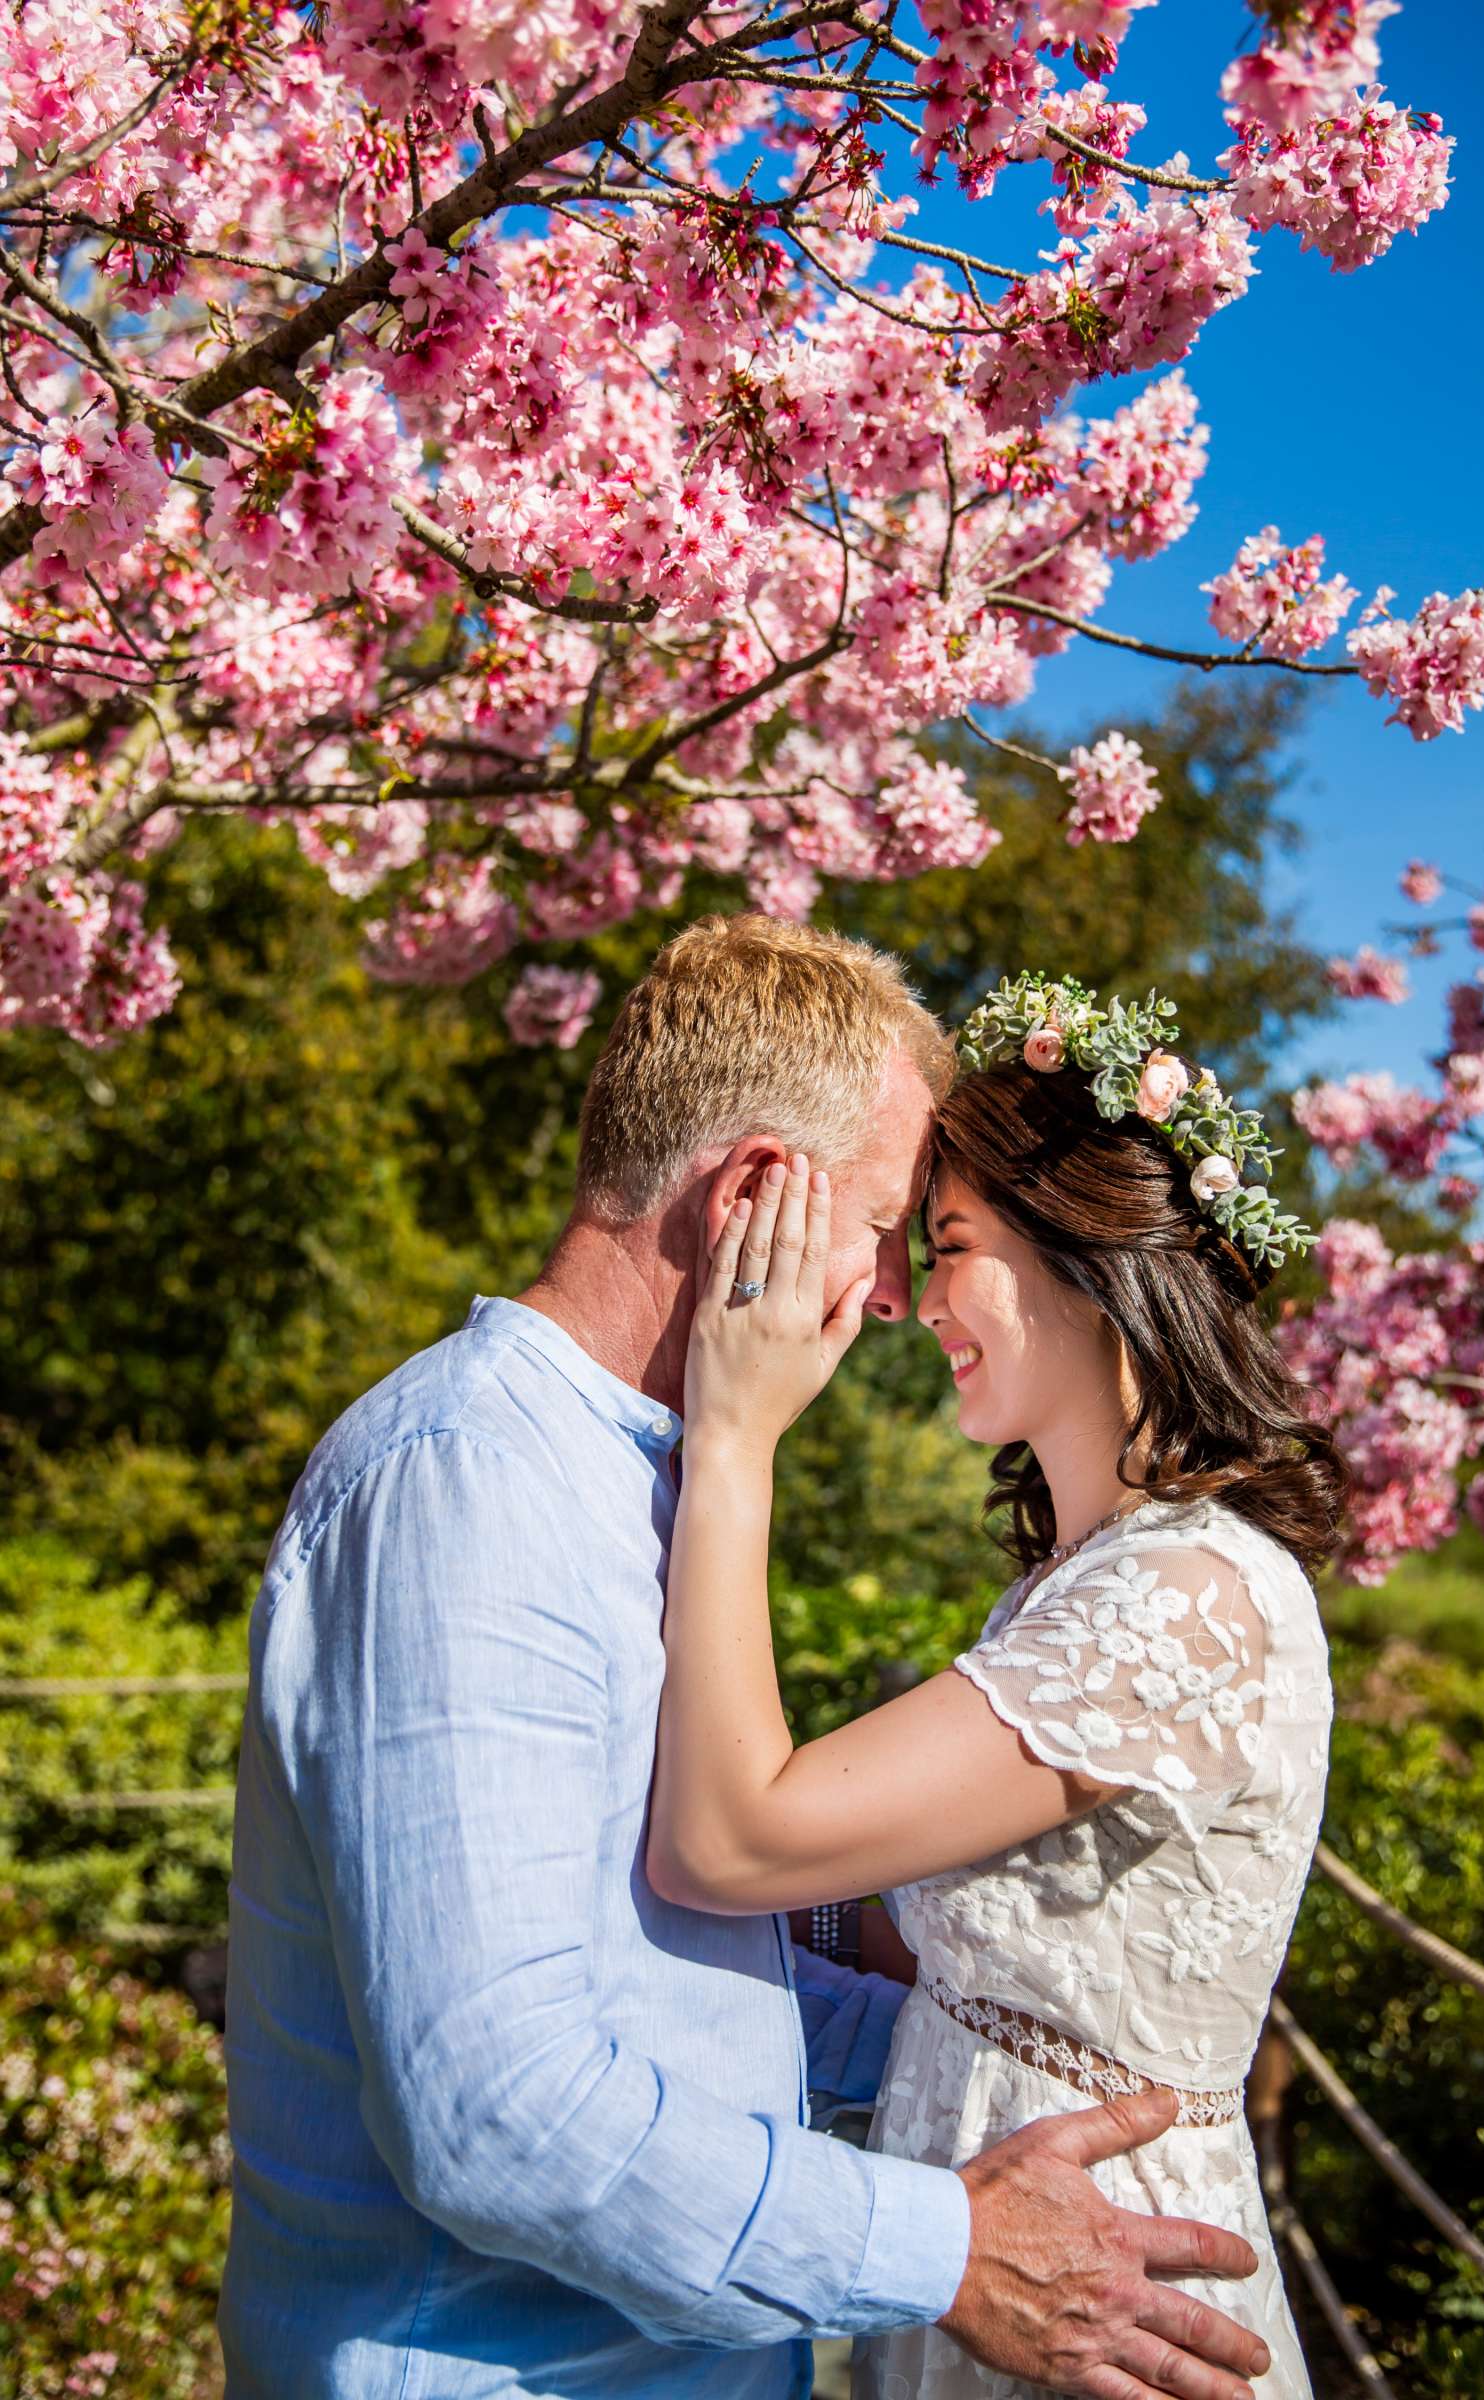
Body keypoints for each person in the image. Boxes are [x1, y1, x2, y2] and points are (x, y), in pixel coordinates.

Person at [219, 920, 1272, 2399]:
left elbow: (675, 1981)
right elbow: (501, 2112)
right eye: (890, 1225)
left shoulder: (641, 1485)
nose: (896, 1293)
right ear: (755, 1196)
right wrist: (946, 2249)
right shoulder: (467, 1488)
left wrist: (994, 2037)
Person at [647, 969, 1346, 2400]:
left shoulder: (1184, 1598)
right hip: (992, 2263)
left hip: (1108, 2291)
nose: (913, 1301)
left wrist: (734, 1436)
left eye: (951, 1246)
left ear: (1087, 1259)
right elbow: (933, 1937)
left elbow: (734, 1838)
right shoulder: (1072, 1589)